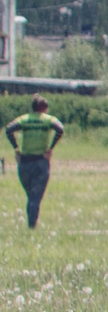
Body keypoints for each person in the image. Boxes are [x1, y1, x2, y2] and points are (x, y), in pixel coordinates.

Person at [4, 97, 67, 229]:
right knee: (35, 197)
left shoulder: (24, 119)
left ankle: (31, 223)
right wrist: (51, 148)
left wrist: (16, 148)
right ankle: (32, 226)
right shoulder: (48, 119)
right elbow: (60, 129)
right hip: (40, 161)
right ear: (45, 108)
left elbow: (9, 129)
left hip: (25, 162)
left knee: (31, 196)